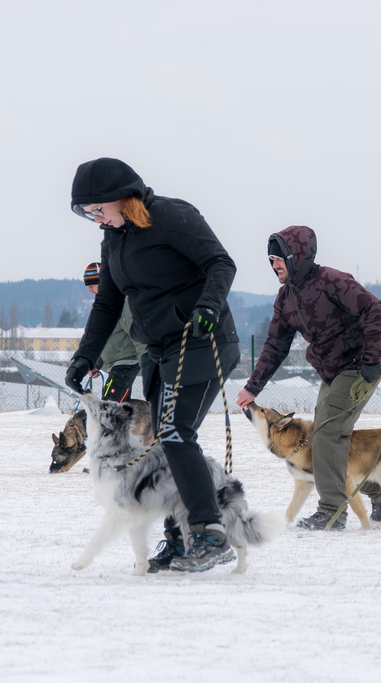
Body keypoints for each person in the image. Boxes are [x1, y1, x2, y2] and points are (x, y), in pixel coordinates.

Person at [64, 157, 240, 572]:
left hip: (202, 339)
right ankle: (179, 540)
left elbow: (220, 263)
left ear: (122, 197)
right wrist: (86, 355)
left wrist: (208, 307)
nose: (95, 218)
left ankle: (209, 534)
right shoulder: (113, 240)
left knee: (176, 433)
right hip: (158, 349)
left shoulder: (173, 217)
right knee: (164, 443)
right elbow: (108, 303)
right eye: (87, 213)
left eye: (97, 209)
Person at [234, 225, 381, 531]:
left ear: (296, 257)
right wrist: (252, 387)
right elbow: (276, 346)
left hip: (359, 367)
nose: (274, 264)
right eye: (271, 259)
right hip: (331, 372)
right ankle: (377, 491)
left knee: (328, 435)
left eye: (279, 258)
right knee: (324, 439)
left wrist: (372, 359)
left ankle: (332, 511)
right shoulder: (285, 298)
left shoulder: (332, 281)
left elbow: (376, 311)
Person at [77, 262, 146, 403]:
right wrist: (96, 364)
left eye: (91, 286)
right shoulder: (106, 306)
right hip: (117, 364)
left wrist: (148, 363)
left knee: (109, 405)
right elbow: (105, 338)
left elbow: (138, 334)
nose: (89, 291)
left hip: (127, 363)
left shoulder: (122, 303)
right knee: (118, 409)